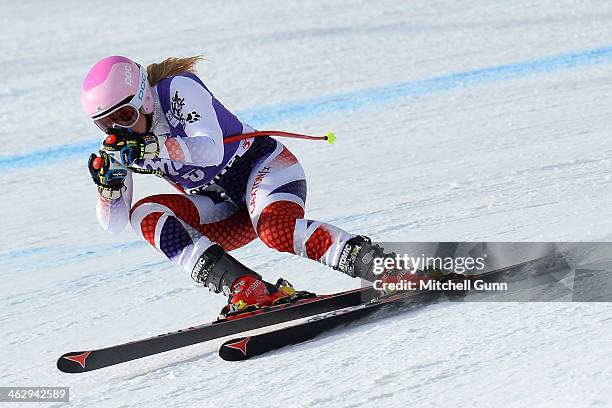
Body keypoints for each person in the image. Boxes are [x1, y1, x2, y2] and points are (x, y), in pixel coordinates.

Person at [82, 55, 399, 317]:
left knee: (277, 231)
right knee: (145, 213)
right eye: (105, 123)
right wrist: (108, 189)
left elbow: (211, 149)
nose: (117, 128)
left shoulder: (175, 89)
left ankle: (381, 265)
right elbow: (114, 224)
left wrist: (152, 149)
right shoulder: (121, 144)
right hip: (221, 208)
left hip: (262, 170)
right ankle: (245, 287)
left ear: (145, 98)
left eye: (124, 115)